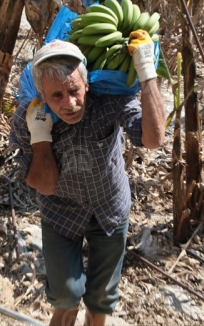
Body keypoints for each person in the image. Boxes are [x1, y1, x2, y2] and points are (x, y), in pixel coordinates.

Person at [9, 31, 166, 326]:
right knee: (66, 297)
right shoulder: (28, 117)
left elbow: (154, 139)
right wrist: (41, 137)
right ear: (42, 95)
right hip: (61, 212)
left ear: (87, 84)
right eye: (56, 95)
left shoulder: (109, 100)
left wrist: (147, 73)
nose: (69, 103)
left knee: (101, 301)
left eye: (74, 91)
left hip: (110, 208)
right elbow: (46, 184)